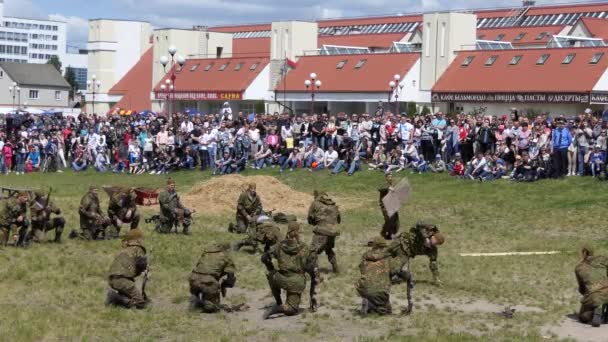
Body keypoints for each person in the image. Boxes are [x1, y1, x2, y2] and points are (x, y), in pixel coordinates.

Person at [261, 222, 318, 319]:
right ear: (298, 232)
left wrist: (271, 270)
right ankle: (278, 308)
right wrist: (312, 297)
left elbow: (264, 258)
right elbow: (313, 273)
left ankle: (278, 302)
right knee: (292, 310)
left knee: (271, 275)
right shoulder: (304, 248)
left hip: (280, 278)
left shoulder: (279, 246)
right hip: (296, 282)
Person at [106, 229, 149, 309]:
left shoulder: (124, 249)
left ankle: (119, 297)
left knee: (130, 293)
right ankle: (116, 298)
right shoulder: (138, 249)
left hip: (112, 279)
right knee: (141, 303)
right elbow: (141, 264)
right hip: (123, 280)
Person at [189, 242, 237, 313]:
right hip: (208, 282)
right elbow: (230, 279)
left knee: (198, 292)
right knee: (212, 308)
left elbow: (199, 267)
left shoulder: (206, 253)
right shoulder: (226, 257)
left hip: (193, 279)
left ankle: (195, 299)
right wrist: (224, 285)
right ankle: (206, 303)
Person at [356, 236, 392, 316]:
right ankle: (376, 306)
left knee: (366, 285)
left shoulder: (365, 255)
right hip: (382, 290)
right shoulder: (388, 257)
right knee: (386, 311)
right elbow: (394, 272)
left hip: (364, 287)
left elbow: (361, 269)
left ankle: (368, 301)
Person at [307, 191, 341, 273]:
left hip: (321, 231)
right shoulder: (334, 205)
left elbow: (310, 218)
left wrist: (316, 223)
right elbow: (339, 220)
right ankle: (336, 269)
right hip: (332, 232)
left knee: (313, 251)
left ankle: (314, 272)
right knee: (328, 249)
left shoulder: (315, 203)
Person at [575, 246, 608, 327]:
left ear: (584, 254)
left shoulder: (579, 268)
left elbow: (582, 288)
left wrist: (586, 297)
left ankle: (596, 308)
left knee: (583, 318)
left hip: (594, 295)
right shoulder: (603, 259)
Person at [379, 173, 399, 240]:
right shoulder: (384, 184)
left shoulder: (393, 185)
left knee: (395, 221)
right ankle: (383, 233)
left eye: (391, 177)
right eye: (389, 177)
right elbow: (380, 188)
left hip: (392, 205)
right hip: (385, 206)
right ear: (386, 178)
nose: (390, 178)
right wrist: (388, 188)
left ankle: (390, 234)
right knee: (389, 220)